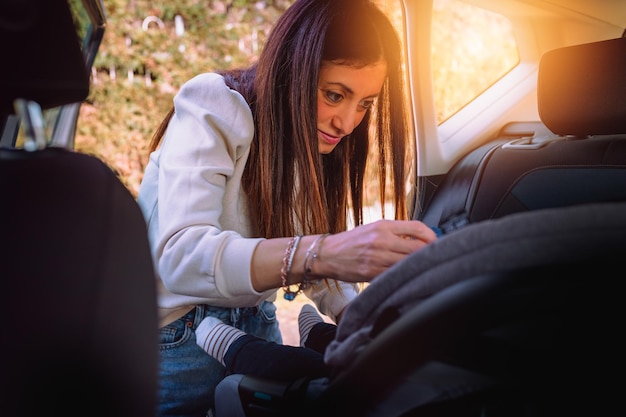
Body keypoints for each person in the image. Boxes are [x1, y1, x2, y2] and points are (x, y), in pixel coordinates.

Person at [137, 0, 438, 415]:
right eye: (335, 95)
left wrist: (359, 317)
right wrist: (327, 252)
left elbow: (311, 250)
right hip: (174, 339)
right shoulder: (215, 105)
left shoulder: (311, 140)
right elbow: (182, 256)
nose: (347, 123)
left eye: (365, 104)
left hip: (256, 324)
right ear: (294, 68)